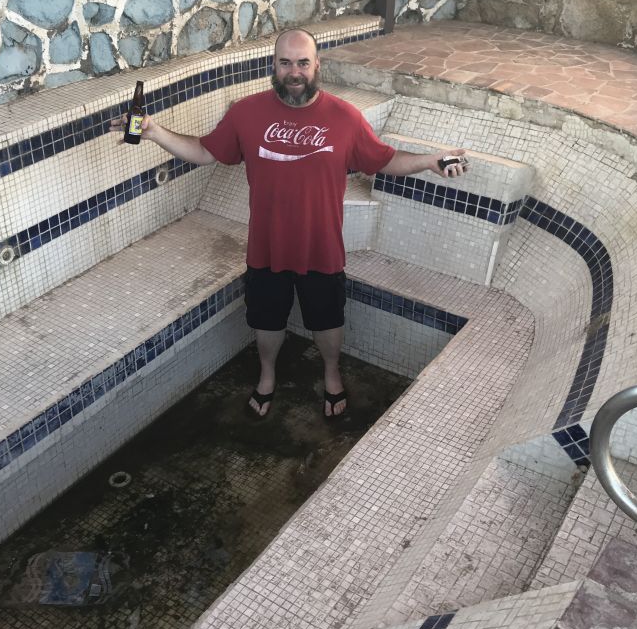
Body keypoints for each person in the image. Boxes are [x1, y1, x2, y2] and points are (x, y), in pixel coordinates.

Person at [112, 28, 468, 419]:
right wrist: (152, 131)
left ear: (317, 65)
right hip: (267, 246)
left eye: (302, 63)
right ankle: (267, 375)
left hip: (321, 247)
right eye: (285, 63)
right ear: (274, 65)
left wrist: (429, 161)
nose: (294, 72)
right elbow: (203, 151)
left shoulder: (344, 118)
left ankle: (331, 372)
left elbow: (384, 160)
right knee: (266, 321)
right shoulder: (246, 113)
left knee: (327, 320)